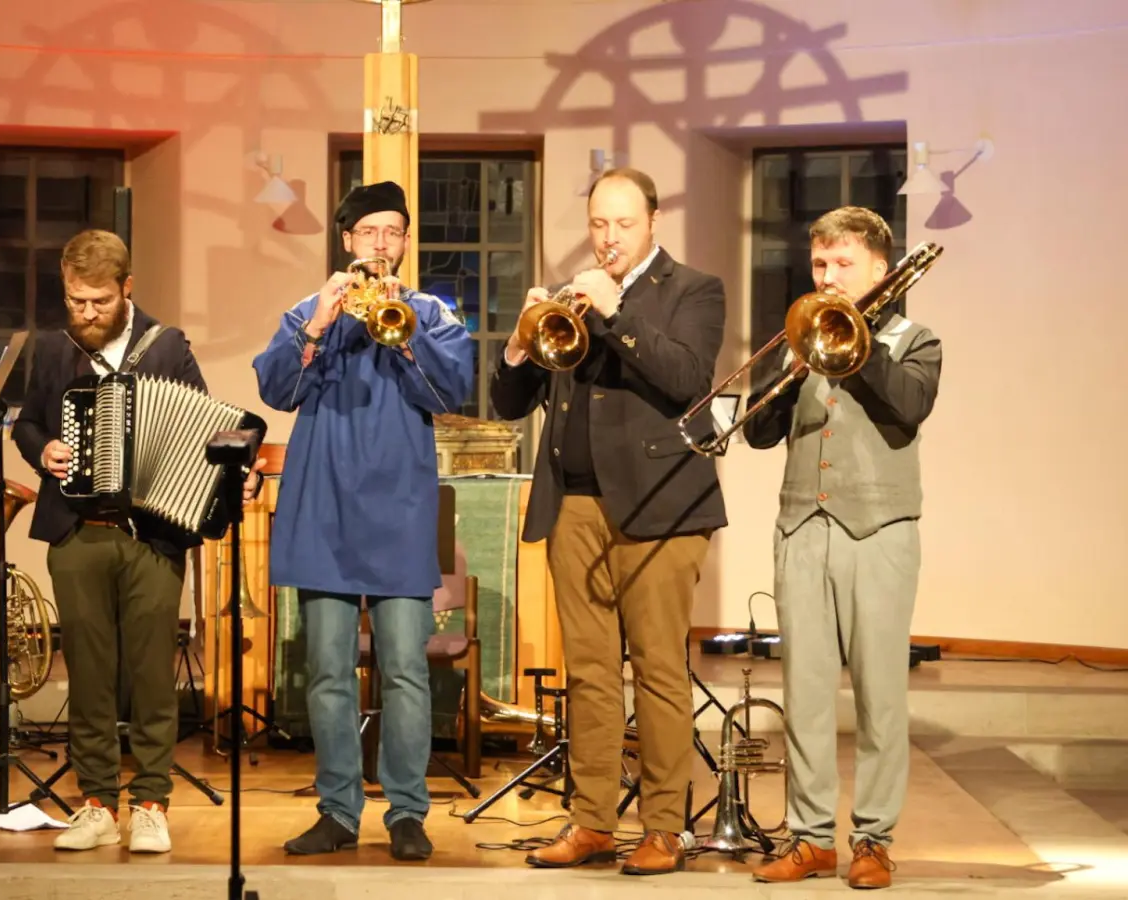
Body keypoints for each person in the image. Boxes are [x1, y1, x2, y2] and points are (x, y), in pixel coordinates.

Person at [489, 167, 726, 875]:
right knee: (589, 673)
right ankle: (591, 820)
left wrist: (617, 314)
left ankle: (663, 828)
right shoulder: (576, 296)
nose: (609, 237)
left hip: (661, 507)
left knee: (657, 670)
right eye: (599, 224)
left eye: (623, 223)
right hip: (576, 503)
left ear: (653, 221)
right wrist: (518, 345)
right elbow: (510, 404)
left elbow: (686, 378)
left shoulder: (693, 290)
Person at [252, 181, 476, 862]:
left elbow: (455, 390)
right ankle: (339, 811)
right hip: (323, 506)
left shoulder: (430, 312)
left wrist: (405, 336)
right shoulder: (308, 309)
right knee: (327, 670)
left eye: (394, 232)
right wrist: (318, 324)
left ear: (406, 242)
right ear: (347, 240)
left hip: (399, 508)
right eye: (369, 232)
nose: (381, 244)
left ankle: (407, 812)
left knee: (405, 668)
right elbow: (274, 387)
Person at [745, 207, 941, 890]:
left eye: (843, 265)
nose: (827, 278)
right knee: (805, 693)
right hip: (803, 528)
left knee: (881, 696)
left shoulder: (917, 340)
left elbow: (908, 406)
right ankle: (810, 838)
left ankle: (874, 839)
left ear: (880, 270)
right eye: (820, 265)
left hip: (880, 532)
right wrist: (789, 369)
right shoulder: (797, 336)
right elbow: (759, 434)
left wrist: (853, 345)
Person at [13, 228, 216, 855]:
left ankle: (151, 801)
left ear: (127, 289)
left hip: (151, 535)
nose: (86, 314)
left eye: (98, 301)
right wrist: (41, 448)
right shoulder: (53, 350)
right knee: (90, 674)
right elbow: (28, 423)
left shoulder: (168, 346)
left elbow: (202, 426)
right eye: (76, 301)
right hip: (77, 532)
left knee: (152, 674)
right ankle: (97, 801)